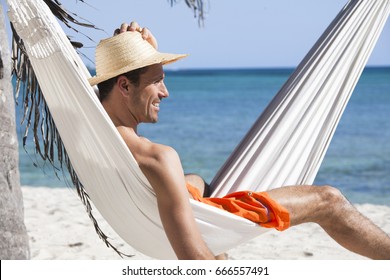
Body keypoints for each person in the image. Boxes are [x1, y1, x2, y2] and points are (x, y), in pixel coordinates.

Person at [88, 21, 390, 260]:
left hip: (153, 214)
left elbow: (98, 87)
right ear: (124, 85)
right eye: (157, 81)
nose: (166, 93)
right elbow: (194, 259)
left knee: (194, 180)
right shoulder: (158, 158)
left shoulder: (90, 124)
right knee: (329, 199)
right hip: (180, 220)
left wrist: (131, 51)